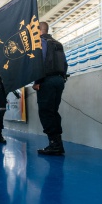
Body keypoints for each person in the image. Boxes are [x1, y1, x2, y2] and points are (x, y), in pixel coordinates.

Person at [33, 22, 68, 155]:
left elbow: (40, 62)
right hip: (59, 80)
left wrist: (37, 81)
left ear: (39, 30)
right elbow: (65, 64)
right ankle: (58, 143)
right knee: (54, 111)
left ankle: (54, 144)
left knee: (46, 112)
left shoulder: (41, 42)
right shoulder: (58, 43)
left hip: (46, 80)